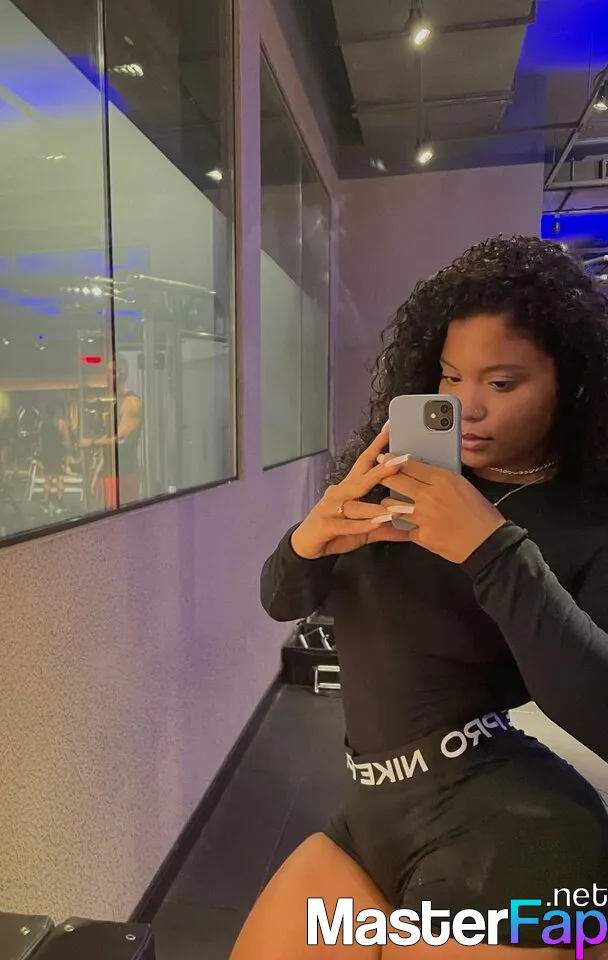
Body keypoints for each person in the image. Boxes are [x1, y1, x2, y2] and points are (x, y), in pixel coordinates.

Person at [230, 236, 608, 959]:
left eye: (503, 383)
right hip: (372, 813)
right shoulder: (401, 474)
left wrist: (493, 549)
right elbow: (281, 600)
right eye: (451, 376)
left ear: (573, 384)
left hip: (514, 838)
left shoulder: (584, 521)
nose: (467, 406)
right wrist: (310, 537)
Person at [81, 354, 143, 508]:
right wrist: (98, 473)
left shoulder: (131, 402)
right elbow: (110, 439)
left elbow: (121, 440)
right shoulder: (116, 402)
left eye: (111, 372)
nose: (107, 377)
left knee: (124, 516)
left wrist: (92, 443)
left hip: (124, 473)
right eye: (106, 372)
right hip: (110, 473)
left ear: (122, 373)